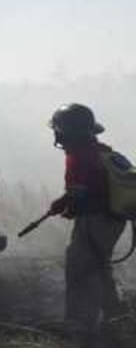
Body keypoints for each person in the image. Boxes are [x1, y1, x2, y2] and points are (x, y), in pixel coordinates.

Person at [47, 103, 126, 333]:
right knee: (99, 267)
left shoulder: (80, 156)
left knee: (79, 268)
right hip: (110, 219)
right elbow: (87, 187)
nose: (57, 136)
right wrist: (64, 201)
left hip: (96, 220)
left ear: (67, 132)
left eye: (58, 131)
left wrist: (70, 207)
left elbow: (84, 194)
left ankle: (79, 325)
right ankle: (117, 317)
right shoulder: (98, 151)